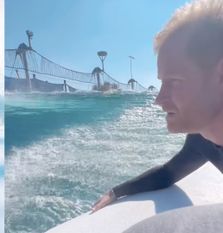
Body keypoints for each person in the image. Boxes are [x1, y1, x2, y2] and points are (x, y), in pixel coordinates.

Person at [92, 0, 223, 214]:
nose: (159, 99)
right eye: (162, 82)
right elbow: (168, 173)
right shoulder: (202, 140)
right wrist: (116, 192)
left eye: (174, 82)